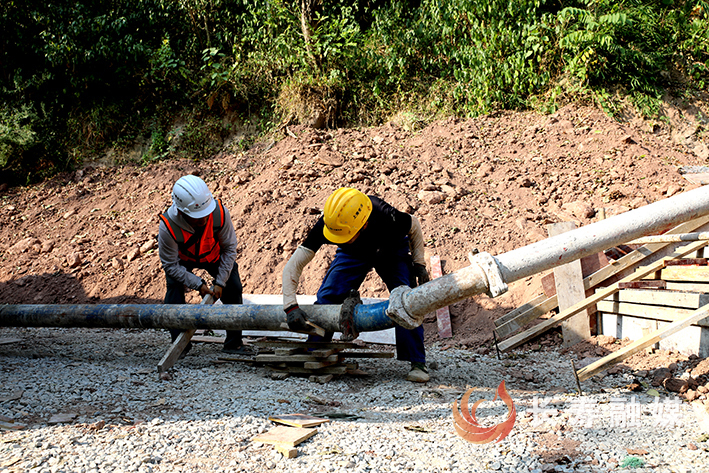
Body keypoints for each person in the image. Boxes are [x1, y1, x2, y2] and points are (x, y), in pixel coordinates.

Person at [281, 187, 431, 382]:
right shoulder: (331, 223)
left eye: (345, 235)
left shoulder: (386, 215)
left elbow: (414, 225)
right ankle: (314, 351)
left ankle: (417, 362)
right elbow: (294, 265)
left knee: (405, 299)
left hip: (391, 249)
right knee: (329, 296)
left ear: (365, 224)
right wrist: (290, 306)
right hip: (354, 254)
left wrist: (419, 264)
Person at [158, 174, 250, 356]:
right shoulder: (168, 226)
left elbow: (230, 249)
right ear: (182, 211)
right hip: (183, 261)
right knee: (173, 292)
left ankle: (233, 343)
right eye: (197, 217)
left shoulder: (220, 214)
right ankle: (180, 344)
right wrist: (198, 284)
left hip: (213, 256)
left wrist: (221, 282)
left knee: (234, 286)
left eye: (205, 214)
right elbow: (170, 265)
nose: (203, 220)